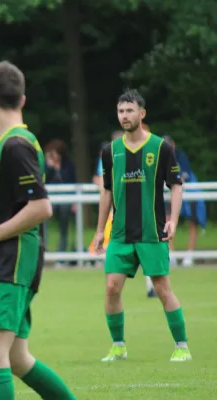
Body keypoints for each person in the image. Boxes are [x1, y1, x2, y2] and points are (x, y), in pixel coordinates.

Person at [0, 61, 76, 400]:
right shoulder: (14, 143)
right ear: (22, 100)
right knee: (16, 358)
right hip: (12, 261)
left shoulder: (16, 145)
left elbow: (41, 208)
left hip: (14, 260)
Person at [94, 89, 191, 362]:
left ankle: (181, 346)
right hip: (121, 234)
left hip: (152, 233)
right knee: (112, 287)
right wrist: (101, 230)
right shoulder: (109, 151)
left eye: (129, 111)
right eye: (121, 111)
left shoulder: (161, 147)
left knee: (162, 288)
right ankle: (118, 345)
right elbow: (107, 192)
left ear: (142, 114)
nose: (124, 116)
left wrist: (172, 220)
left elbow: (176, 187)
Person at [92, 130, 156, 298]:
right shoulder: (110, 156)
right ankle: (116, 282)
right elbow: (103, 183)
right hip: (118, 213)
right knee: (113, 246)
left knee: (145, 251)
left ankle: (150, 286)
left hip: (139, 215)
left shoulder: (141, 154)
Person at [163, 135, 206, 267]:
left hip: (188, 192)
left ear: (173, 145)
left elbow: (182, 178)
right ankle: (171, 254)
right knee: (167, 220)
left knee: (193, 221)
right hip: (168, 193)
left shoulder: (181, 156)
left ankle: (189, 254)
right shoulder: (158, 157)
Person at [44, 139, 77, 264]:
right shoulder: (47, 166)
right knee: (43, 224)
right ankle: (44, 251)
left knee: (64, 227)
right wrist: (51, 168)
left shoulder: (68, 165)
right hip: (50, 199)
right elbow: (44, 180)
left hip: (65, 199)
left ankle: (61, 256)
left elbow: (71, 181)